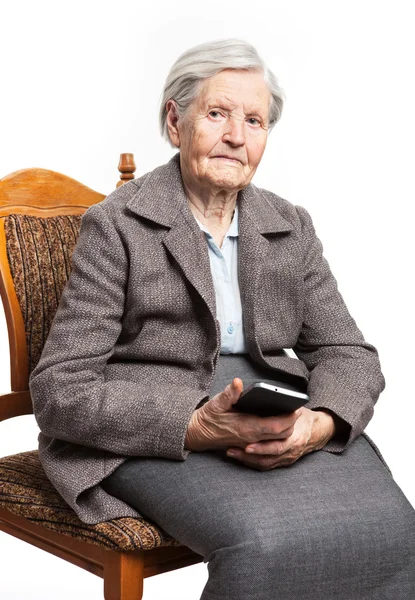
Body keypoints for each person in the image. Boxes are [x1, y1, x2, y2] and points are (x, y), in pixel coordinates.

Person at [29, 39, 415, 599]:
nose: (237, 135)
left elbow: (347, 353)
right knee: (263, 543)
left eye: (254, 121)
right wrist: (194, 424)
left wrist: (319, 424)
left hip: (272, 410)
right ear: (175, 121)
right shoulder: (116, 226)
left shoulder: (289, 225)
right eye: (217, 114)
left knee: (395, 530)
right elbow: (59, 390)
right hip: (152, 422)